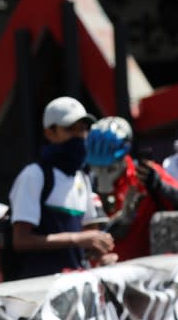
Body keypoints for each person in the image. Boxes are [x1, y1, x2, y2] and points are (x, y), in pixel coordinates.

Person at [7, 96, 115, 280]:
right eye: (69, 129)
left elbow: (90, 233)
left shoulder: (82, 177)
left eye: (82, 129)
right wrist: (77, 239)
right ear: (50, 133)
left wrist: (103, 254)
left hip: (75, 287)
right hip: (38, 290)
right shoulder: (34, 175)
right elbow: (21, 240)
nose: (79, 136)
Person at [85, 116, 178, 261]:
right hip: (102, 270)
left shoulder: (144, 175)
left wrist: (158, 185)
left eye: (109, 168)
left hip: (142, 267)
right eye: (97, 168)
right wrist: (121, 219)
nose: (103, 176)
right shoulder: (86, 183)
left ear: (124, 157)